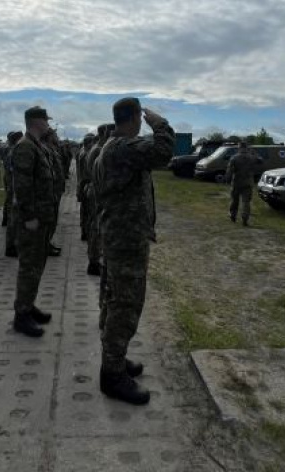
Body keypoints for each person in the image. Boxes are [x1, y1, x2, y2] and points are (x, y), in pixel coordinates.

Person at [94, 98, 174, 405]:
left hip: (120, 236)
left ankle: (114, 358)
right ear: (134, 119)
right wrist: (160, 123)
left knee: (114, 298)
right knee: (125, 305)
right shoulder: (122, 147)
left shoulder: (113, 146)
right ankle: (112, 375)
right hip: (125, 240)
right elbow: (163, 153)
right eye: (140, 118)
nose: (142, 123)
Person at [11, 106, 56, 337]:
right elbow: (22, 185)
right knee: (29, 266)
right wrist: (29, 216)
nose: (48, 124)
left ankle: (28, 305)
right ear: (36, 122)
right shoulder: (25, 147)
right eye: (45, 120)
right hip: (32, 219)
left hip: (42, 217)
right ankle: (21, 315)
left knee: (36, 265)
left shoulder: (36, 145)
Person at [85, 124, 114, 276]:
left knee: (95, 225)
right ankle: (94, 261)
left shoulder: (97, 148)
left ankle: (94, 259)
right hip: (97, 191)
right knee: (97, 227)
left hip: (95, 190)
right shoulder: (99, 150)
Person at [225, 142, 261, 226]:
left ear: (239, 148)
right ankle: (245, 218)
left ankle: (233, 215)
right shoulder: (251, 157)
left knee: (234, 200)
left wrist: (227, 179)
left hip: (236, 182)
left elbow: (229, 171)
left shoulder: (234, 158)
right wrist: (254, 153)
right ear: (246, 148)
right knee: (246, 202)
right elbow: (260, 161)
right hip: (248, 183)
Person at [43, 128, 65, 256]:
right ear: (49, 136)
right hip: (51, 191)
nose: (56, 136)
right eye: (54, 134)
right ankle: (45, 245)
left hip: (56, 190)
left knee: (53, 220)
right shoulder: (46, 149)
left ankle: (47, 242)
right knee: (49, 220)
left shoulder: (52, 149)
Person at [3, 131, 24, 257]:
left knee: (15, 219)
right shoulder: (13, 153)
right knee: (13, 219)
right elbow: (13, 173)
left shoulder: (14, 151)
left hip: (14, 188)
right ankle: (10, 247)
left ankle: (13, 244)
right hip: (13, 189)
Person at [76, 134, 96, 243]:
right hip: (86, 184)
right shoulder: (86, 154)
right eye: (93, 142)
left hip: (82, 184)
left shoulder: (82, 152)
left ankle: (84, 231)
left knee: (84, 211)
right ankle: (87, 232)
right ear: (89, 143)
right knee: (88, 211)